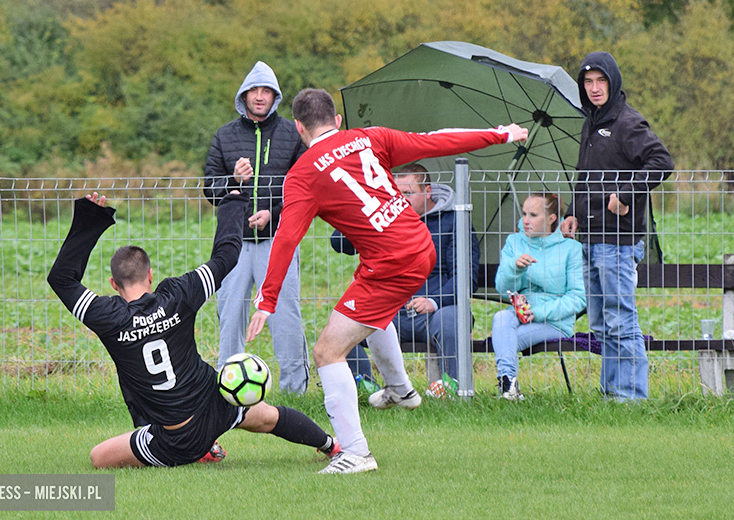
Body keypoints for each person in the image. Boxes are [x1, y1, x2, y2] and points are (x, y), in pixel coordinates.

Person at [246, 88, 528, 474]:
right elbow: (435, 141)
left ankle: (357, 453)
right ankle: (401, 390)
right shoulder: (369, 137)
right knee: (366, 308)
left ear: (298, 128)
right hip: (417, 246)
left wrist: (267, 300)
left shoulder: (301, 176)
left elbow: (286, 239)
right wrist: (499, 133)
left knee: (328, 351)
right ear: (338, 121)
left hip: (392, 263)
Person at [47, 191, 339, 469]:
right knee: (266, 416)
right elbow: (226, 257)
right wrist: (232, 203)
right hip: (215, 405)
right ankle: (331, 446)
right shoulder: (178, 295)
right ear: (150, 275)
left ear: (113, 284)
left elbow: (62, 279)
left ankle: (201, 451)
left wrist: (90, 222)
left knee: (98, 457)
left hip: (177, 437)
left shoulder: (107, 316)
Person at [560, 51, 673, 400]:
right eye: (588, 82)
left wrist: (625, 192)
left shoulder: (627, 123)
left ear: (613, 81)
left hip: (619, 242)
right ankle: (611, 396)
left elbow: (662, 162)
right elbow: (586, 177)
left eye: (601, 81)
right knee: (600, 325)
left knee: (621, 322)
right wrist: (571, 211)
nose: (594, 88)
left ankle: (631, 399)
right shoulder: (590, 122)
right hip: (590, 239)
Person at [203, 61, 309, 394]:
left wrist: (271, 215)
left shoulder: (293, 135)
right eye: (254, 91)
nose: (260, 97)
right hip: (233, 244)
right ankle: (228, 394)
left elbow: (304, 187)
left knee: (284, 316)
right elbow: (209, 188)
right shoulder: (225, 135)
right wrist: (233, 181)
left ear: (275, 97)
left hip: (278, 240)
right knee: (230, 315)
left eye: (266, 91)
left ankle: (296, 393)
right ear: (244, 95)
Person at [332, 163, 479, 398]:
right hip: (388, 312)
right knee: (344, 319)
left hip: (433, 314)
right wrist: (361, 207)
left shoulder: (453, 223)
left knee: (453, 317)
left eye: (408, 194)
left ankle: (452, 388)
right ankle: (366, 388)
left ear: (428, 191)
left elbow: (466, 278)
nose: (401, 201)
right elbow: (339, 243)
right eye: (396, 194)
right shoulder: (383, 218)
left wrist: (434, 301)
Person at [493, 193, 586, 400]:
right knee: (501, 318)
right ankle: (508, 386)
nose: (525, 220)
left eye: (533, 215)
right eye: (524, 213)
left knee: (506, 338)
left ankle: (507, 387)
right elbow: (502, 289)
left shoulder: (571, 248)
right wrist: (515, 269)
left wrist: (539, 311)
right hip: (518, 315)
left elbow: (578, 298)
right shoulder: (514, 242)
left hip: (555, 321)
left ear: (552, 218)